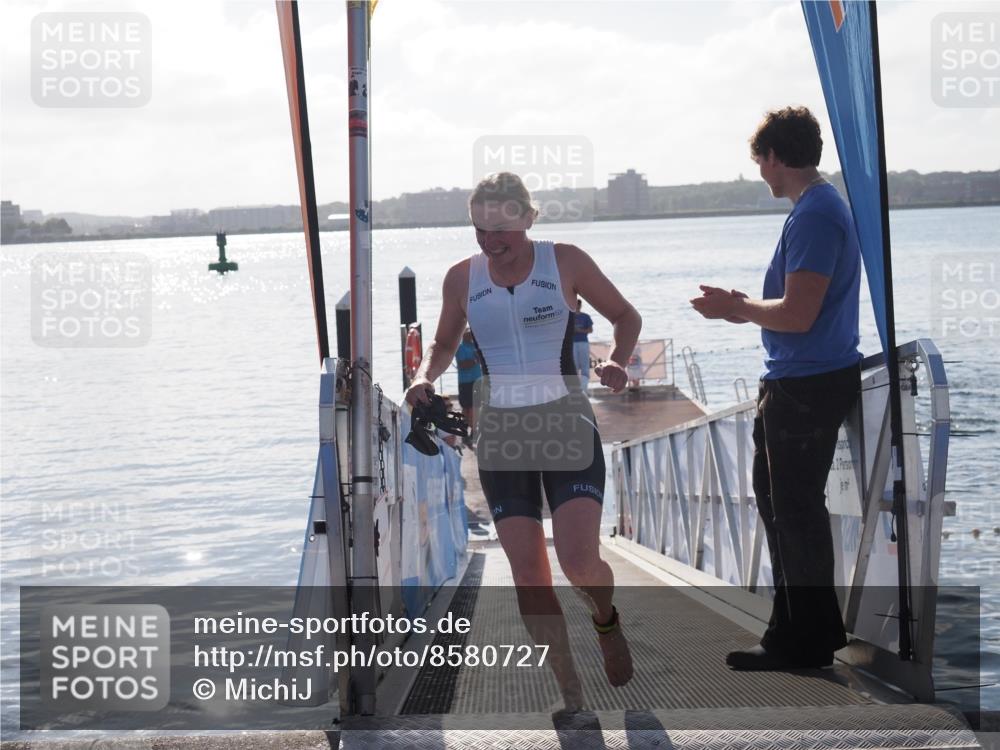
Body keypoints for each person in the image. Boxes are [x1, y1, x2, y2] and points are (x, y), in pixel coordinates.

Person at [405, 172, 642, 709]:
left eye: (500, 229)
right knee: (531, 578)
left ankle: (605, 620)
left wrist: (617, 363)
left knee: (581, 563)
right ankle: (570, 688)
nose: (490, 242)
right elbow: (443, 343)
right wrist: (423, 377)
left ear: (529, 218)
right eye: (479, 230)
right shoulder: (462, 278)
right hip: (503, 434)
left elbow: (626, 316)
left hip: (565, 422)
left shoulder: (567, 261)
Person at [690, 106, 862, 671]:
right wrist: (741, 308)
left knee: (794, 513)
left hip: (807, 384)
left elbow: (798, 314)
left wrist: (735, 309)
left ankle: (805, 642)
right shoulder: (818, 208)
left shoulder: (814, 214)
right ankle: (795, 635)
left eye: (760, 162)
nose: (760, 173)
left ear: (773, 157)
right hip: (801, 380)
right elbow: (794, 310)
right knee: (784, 509)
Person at [454, 328, 482, 445]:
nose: (471, 334)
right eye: (469, 332)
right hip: (465, 382)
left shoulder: (475, 346)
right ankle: (466, 431)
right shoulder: (460, 347)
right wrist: (476, 359)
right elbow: (463, 365)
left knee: (475, 407)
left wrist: (477, 359)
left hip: (477, 381)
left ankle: (474, 431)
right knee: (466, 408)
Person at [572, 298, 594, 390]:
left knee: (585, 366)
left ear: (580, 306)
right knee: (574, 366)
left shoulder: (585, 316)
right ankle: (575, 389)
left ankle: (584, 388)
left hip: (583, 342)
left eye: (579, 305)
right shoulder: (569, 316)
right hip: (572, 343)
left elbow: (590, 330)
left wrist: (580, 330)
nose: (577, 306)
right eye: (576, 304)